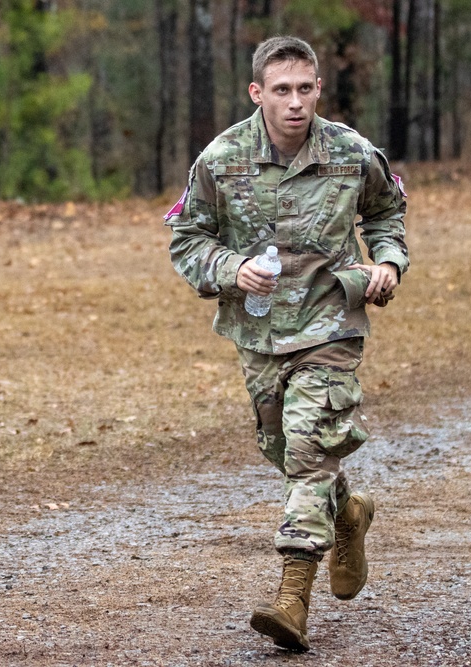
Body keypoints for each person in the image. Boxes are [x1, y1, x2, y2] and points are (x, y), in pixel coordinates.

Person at [164, 36, 408, 652]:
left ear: (319, 89)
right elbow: (187, 238)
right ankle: (348, 513)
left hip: (332, 322)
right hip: (259, 329)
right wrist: (228, 268)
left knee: (305, 451)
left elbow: (386, 212)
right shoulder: (221, 159)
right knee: (285, 449)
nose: (295, 102)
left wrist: (388, 262)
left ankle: (291, 599)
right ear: (257, 93)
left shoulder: (352, 153)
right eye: (281, 90)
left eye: (305, 89)